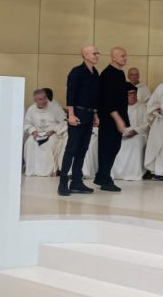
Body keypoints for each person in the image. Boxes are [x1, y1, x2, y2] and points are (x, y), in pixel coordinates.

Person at [59, 45, 100, 196]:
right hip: (77, 114)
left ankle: (76, 182)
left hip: (89, 115)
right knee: (71, 149)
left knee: (82, 150)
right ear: (85, 55)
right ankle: (63, 183)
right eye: (94, 53)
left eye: (97, 53)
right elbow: (70, 94)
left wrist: (95, 114)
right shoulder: (76, 72)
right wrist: (70, 115)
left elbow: (94, 96)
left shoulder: (95, 73)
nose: (97, 55)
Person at [94, 47, 130, 192]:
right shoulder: (108, 74)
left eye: (125, 55)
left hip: (117, 117)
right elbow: (107, 101)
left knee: (114, 148)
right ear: (113, 58)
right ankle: (104, 179)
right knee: (107, 149)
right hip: (109, 119)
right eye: (122, 56)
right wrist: (118, 119)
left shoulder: (120, 73)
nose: (125, 58)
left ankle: (103, 176)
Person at [23, 89, 66, 177]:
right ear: (35, 100)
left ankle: (49, 171)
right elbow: (27, 123)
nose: (44, 101)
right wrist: (33, 132)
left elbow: (64, 121)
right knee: (29, 143)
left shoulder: (54, 108)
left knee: (50, 143)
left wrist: (53, 130)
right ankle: (33, 170)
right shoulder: (31, 109)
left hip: (52, 133)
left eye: (45, 98)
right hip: (37, 134)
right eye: (40, 99)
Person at [111, 84, 149, 181]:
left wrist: (135, 131)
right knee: (115, 143)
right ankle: (116, 173)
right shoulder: (120, 108)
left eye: (134, 93)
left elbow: (147, 123)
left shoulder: (143, 107)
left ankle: (134, 173)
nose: (132, 96)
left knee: (135, 143)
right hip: (122, 133)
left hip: (139, 133)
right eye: (129, 94)